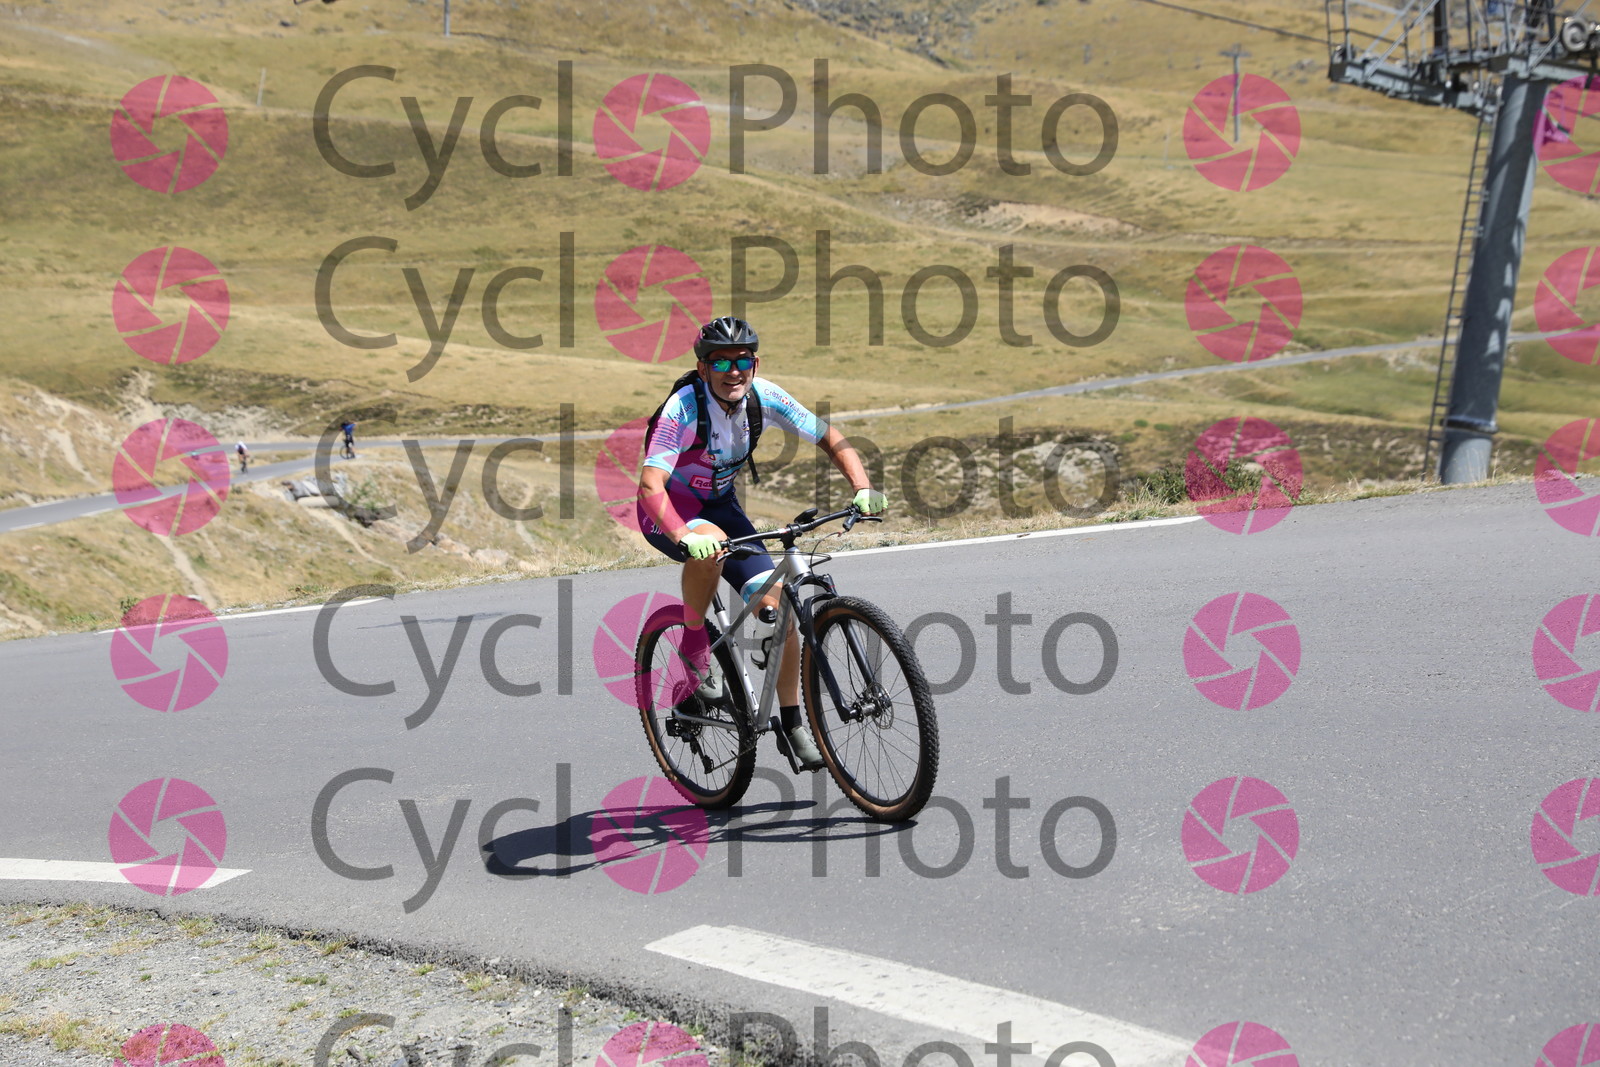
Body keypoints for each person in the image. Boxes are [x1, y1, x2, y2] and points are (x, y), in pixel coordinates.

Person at [635, 316, 886, 770]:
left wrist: (862, 487)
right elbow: (651, 485)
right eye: (720, 362)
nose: (733, 371)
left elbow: (829, 436)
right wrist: (683, 535)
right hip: (668, 510)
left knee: (778, 605)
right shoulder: (683, 408)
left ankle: (792, 723)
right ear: (703, 367)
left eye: (742, 360)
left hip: (721, 505)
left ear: (756, 363)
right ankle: (694, 647)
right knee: (710, 543)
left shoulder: (764, 396)